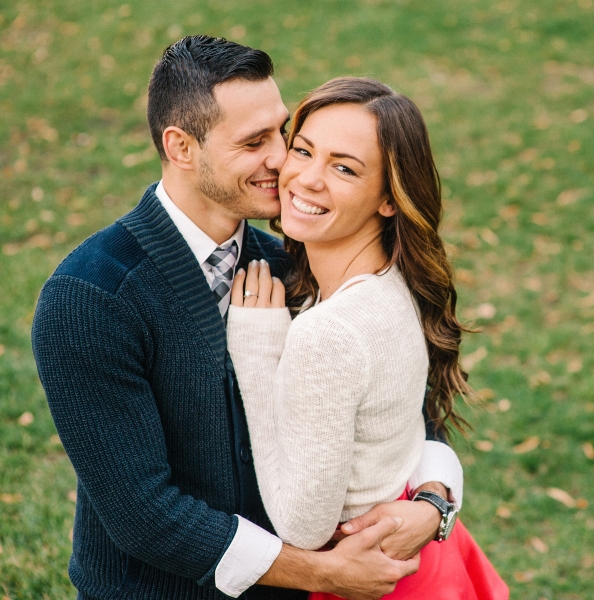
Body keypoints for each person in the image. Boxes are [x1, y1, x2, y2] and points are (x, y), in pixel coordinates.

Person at [31, 36, 464, 600]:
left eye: (282, 132)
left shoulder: (297, 260)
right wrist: (322, 573)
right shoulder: (91, 298)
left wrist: (433, 503)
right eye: (255, 142)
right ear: (181, 147)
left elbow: (396, 406)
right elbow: (144, 513)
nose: (284, 160)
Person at [226, 78, 508, 599]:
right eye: (304, 150)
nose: (306, 179)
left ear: (388, 200)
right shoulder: (393, 281)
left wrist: (259, 353)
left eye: (344, 168)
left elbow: (302, 527)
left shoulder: (327, 334)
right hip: (421, 557)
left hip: (370, 576)